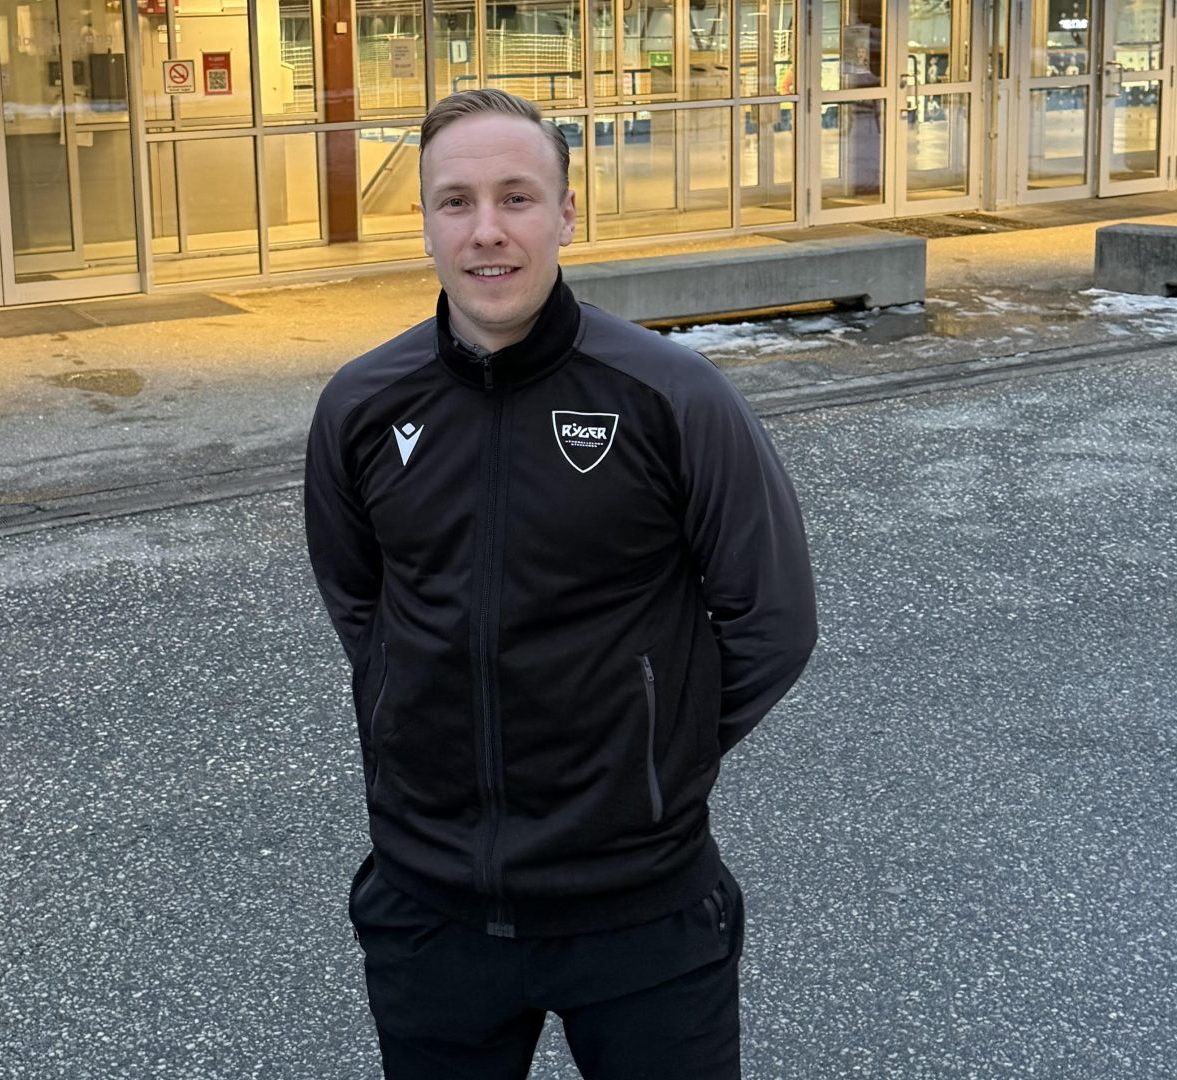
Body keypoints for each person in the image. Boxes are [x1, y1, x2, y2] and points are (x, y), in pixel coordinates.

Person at [304, 88, 817, 1080]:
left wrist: (651, 751)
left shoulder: (673, 398)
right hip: (431, 909)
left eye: (517, 197)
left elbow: (773, 620)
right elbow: (360, 603)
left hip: (641, 913)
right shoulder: (362, 405)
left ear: (567, 214)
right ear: (424, 223)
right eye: (456, 202)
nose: (486, 231)